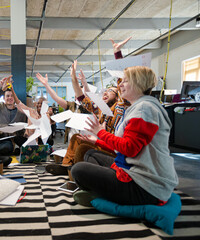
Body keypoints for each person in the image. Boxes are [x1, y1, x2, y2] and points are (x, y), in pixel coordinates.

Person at [71, 66, 179, 206]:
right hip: (135, 169)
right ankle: (102, 189)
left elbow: (129, 149)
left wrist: (100, 133)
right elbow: (126, 147)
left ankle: (101, 193)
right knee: (91, 154)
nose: (120, 84)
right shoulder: (141, 106)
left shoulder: (143, 109)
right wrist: (98, 140)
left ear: (138, 83)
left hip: (145, 186)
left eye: (125, 81)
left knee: (78, 170)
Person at [45, 37, 132, 175]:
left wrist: (117, 53)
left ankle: (76, 173)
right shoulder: (100, 110)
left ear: (118, 96)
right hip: (104, 143)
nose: (106, 93)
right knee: (76, 138)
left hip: (114, 147)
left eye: (111, 91)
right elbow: (81, 97)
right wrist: (73, 78)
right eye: (106, 91)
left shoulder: (120, 107)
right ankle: (67, 167)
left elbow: (121, 79)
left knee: (83, 147)